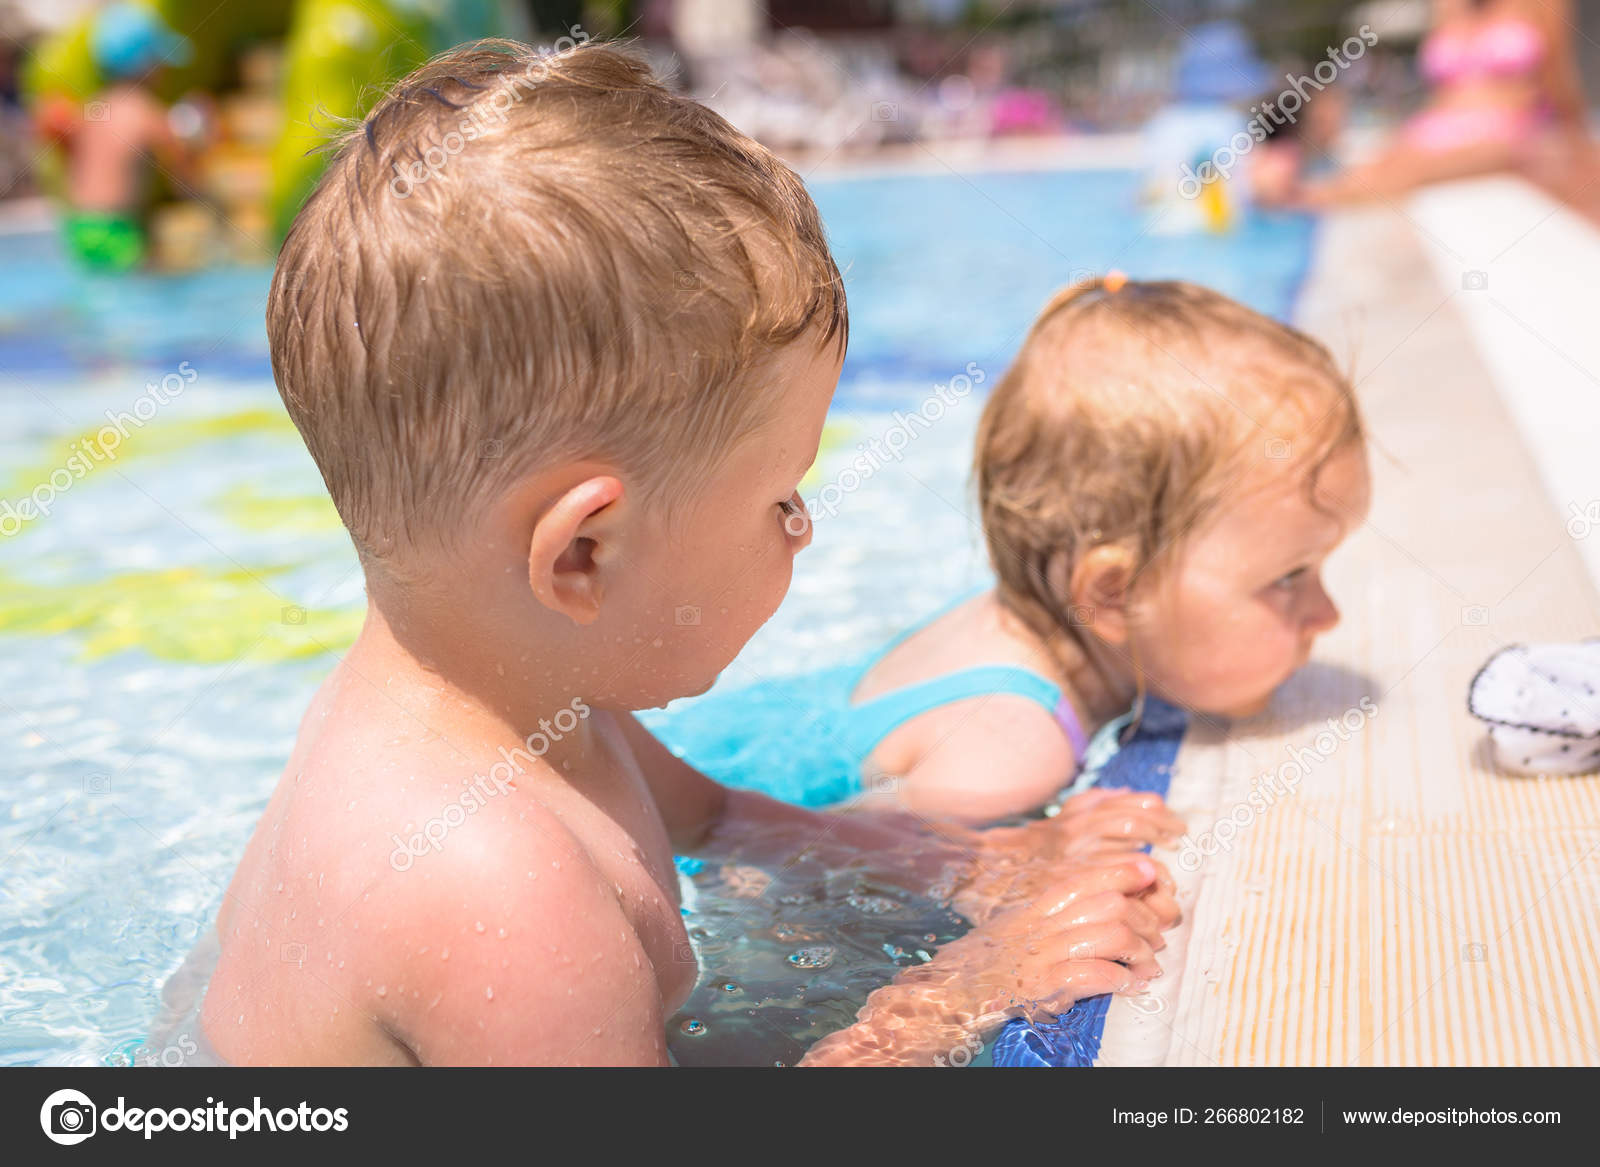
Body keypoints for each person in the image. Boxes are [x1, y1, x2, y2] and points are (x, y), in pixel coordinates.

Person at [174, 41, 1182, 1068]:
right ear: (582, 556)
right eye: (781, 499)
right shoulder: (503, 897)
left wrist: (973, 866)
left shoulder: (524, 692)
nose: (805, 527)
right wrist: (958, 994)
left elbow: (722, 818)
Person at [649, 275, 1371, 825]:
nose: (1327, 613)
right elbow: (802, 882)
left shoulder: (1016, 617)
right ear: (1113, 595)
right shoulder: (1011, 750)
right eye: (1290, 576)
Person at [36, 3, 197, 271]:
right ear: (149, 64)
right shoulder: (148, 113)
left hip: (79, 227)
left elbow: (68, 143)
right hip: (119, 230)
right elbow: (182, 174)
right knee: (150, 277)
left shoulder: (93, 109)